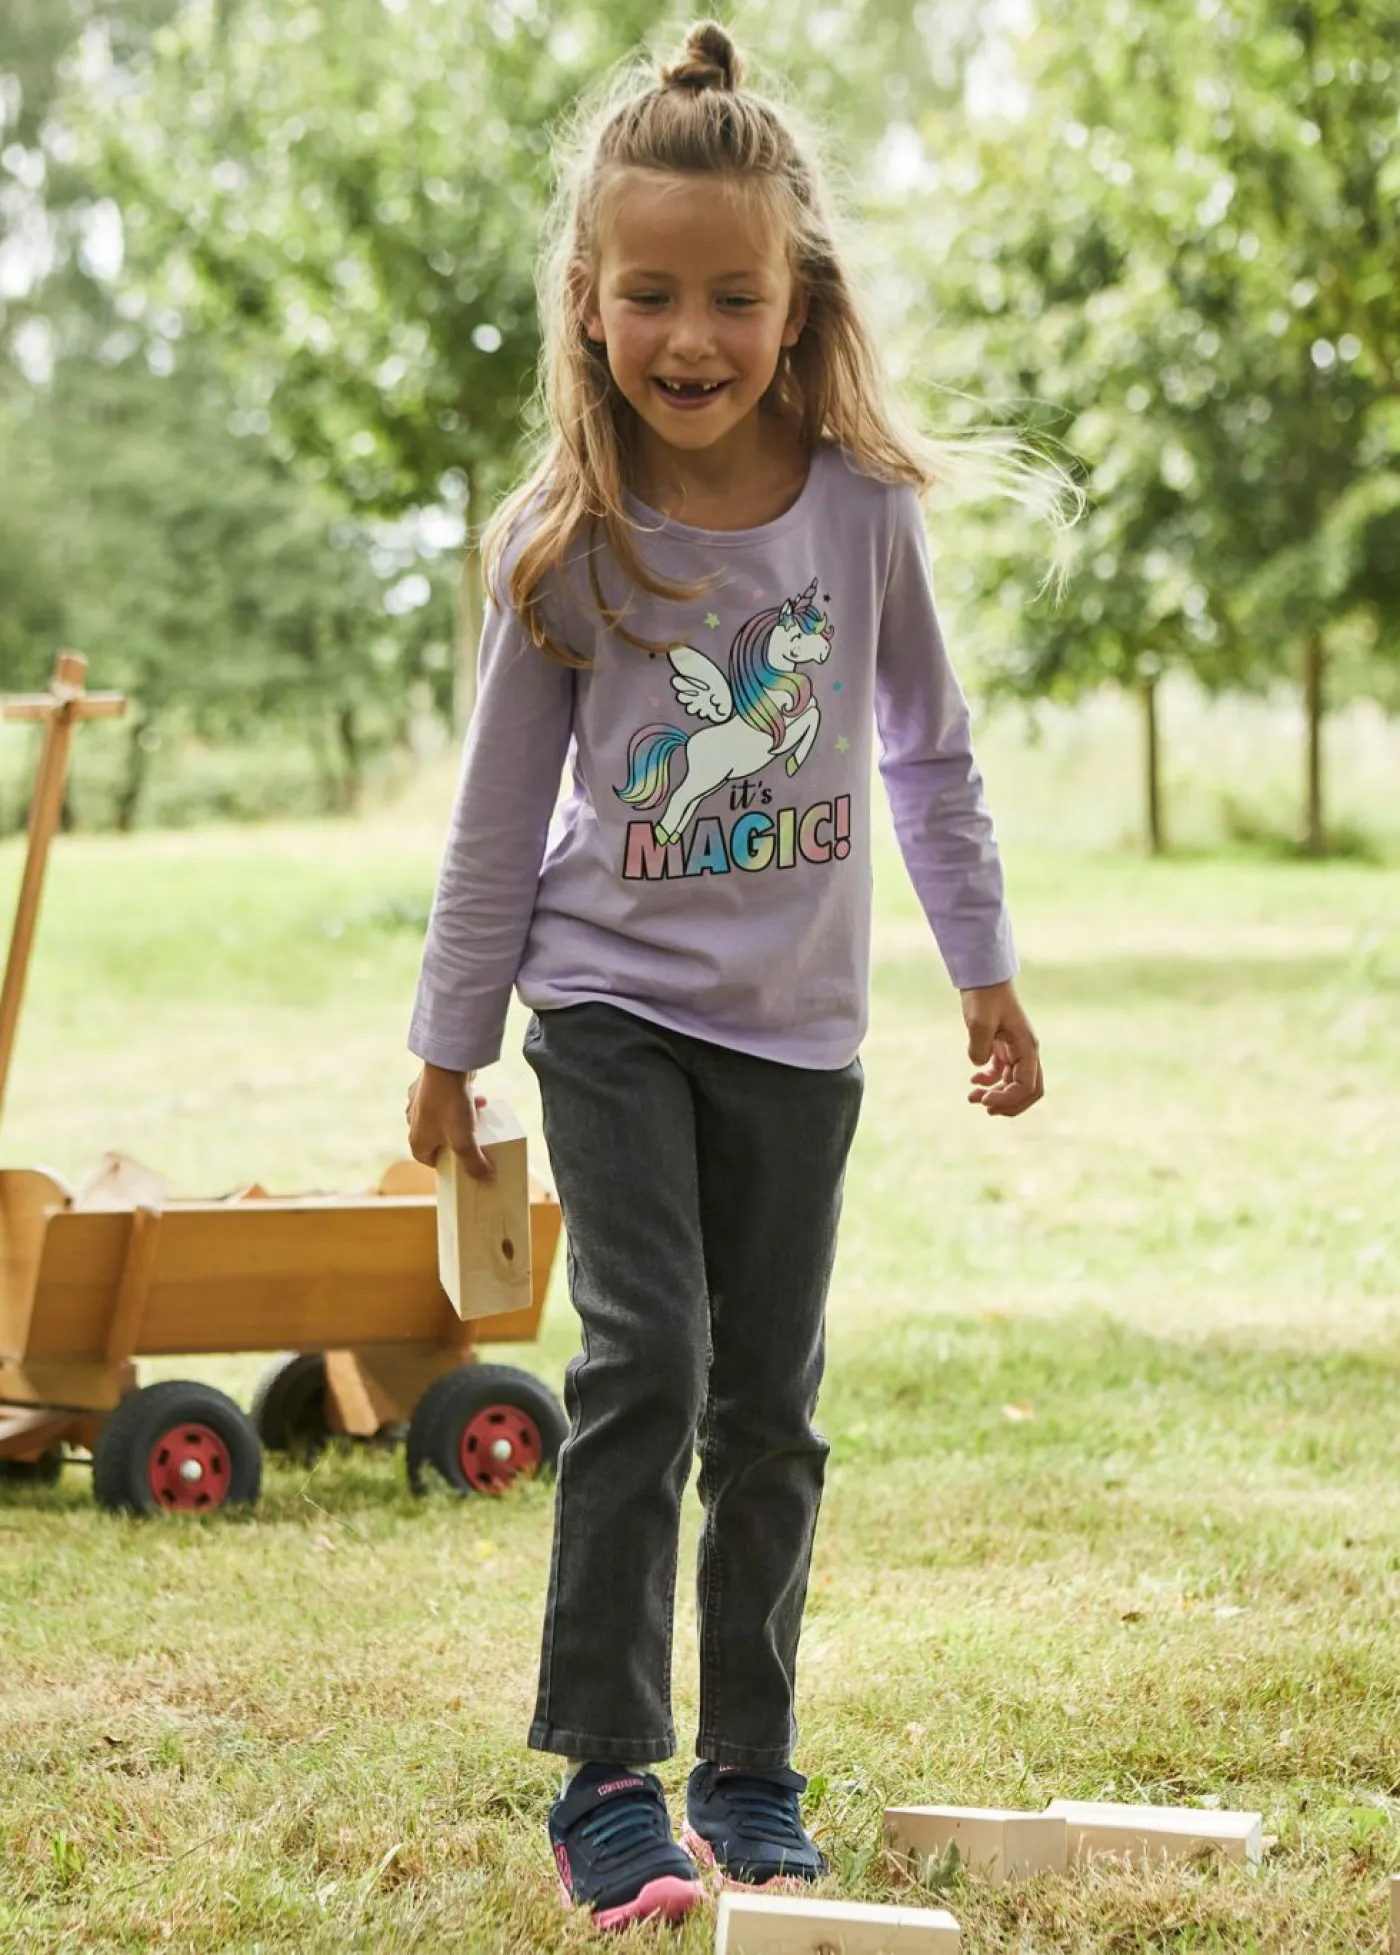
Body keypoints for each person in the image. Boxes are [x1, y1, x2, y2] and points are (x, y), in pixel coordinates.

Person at [406, 17, 1049, 1935]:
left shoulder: (862, 512)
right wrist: (450, 1042)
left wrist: (986, 971)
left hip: (800, 1033)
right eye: (651, 296)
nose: (691, 337)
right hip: (609, 1009)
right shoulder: (564, 541)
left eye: (733, 298)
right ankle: (610, 1781)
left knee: (772, 1401)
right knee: (650, 1361)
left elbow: (929, 755)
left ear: (800, 300)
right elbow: (495, 817)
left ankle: (752, 1773)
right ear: (588, 301)